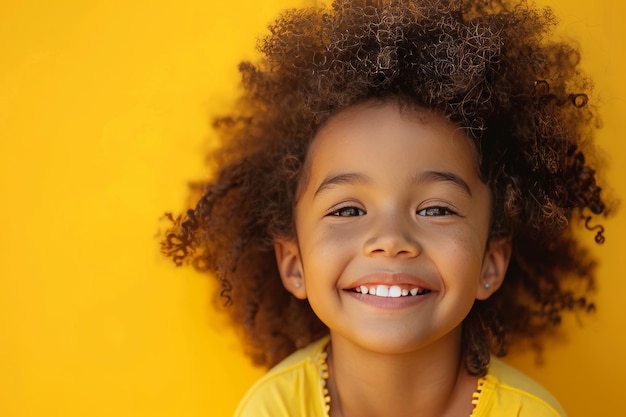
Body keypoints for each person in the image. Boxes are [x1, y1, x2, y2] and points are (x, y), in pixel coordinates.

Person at [161, 0, 610, 415]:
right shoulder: (274, 408)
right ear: (294, 264)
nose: (391, 241)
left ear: (491, 263)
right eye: (348, 211)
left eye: (435, 210)